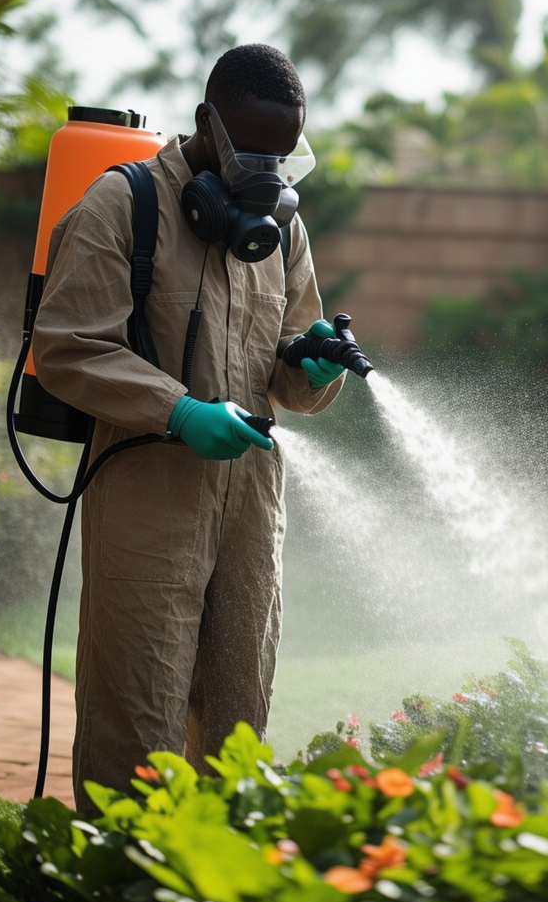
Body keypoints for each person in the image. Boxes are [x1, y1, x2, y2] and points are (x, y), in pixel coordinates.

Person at [33, 44, 346, 813]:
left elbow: (291, 372)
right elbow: (69, 348)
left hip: (251, 507)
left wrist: (313, 367)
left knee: (239, 717)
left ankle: (215, 876)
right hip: (147, 495)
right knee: (136, 720)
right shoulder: (123, 204)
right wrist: (177, 409)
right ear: (208, 122)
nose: (269, 172)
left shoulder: (282, 232)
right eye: (253, 151)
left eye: (283, 155)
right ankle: (118, 876)